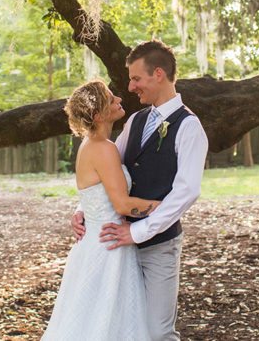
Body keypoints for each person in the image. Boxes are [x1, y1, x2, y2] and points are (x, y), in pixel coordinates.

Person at [72, 40, 210, 341]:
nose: (131, 87)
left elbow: (187, 192)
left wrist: (138, 232)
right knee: (124, 326)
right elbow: (105, 171)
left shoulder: (189, 128)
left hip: (158, 246)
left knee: (158, 332)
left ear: (157, 74)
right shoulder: (134, 121)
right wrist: (83, 210)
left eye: (136, 79)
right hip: (118, 248)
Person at [42, 80, 160, 341]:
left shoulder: (91, 144)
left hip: (95, 242)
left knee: (93, 320)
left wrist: (80, 210)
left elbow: (94, 194)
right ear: (98, 115)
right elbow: (122, 205)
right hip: (108, 247)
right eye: (110, 99)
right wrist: (171, 206)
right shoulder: (104, 148)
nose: (119, 99)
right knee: (104, 324)